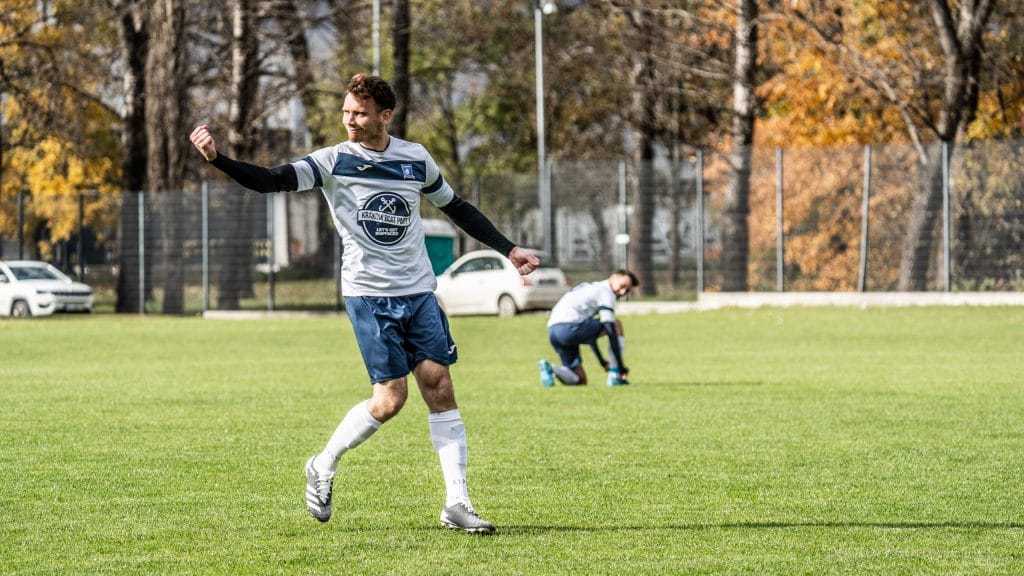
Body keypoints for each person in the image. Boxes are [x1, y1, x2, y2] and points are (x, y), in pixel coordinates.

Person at [189, 73, 539, 534]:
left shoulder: (414, 159)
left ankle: (457, 503)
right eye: (346, 113)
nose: (350, 121)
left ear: (385, 116)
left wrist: (509, 249)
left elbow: (456, 207)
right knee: (391, 400)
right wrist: (219, 160)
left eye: (359, 114)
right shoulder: (333, 161)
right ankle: (323, 463)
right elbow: (270, 181)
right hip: (368, 295)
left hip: (418, 291)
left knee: (440, 386)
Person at [539, 270, 638, 387]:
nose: (622, 292)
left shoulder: (590, 288)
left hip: (553, 331)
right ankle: (615, 376)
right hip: (569, 327)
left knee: (580, 380)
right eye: (622, 286)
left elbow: (591, 338)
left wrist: (602, 362)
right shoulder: (606, 292)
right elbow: (610, 329)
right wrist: (619, 367)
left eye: (627, 291)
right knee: (616, 324)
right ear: (614, 277)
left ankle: (551, 369)